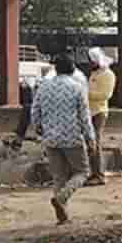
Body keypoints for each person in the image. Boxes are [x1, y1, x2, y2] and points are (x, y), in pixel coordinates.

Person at [30, 54, 96, 225]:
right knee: (82, 172)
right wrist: (91, 138)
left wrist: (38, 129)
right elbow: (84, 117)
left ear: (56, 69)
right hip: (72, 137)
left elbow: (34, 111)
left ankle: (63, 216)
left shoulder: (43, 87)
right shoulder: (77, 87)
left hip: (50, 138)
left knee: (59, 176)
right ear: (72, 68)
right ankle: (61, 198)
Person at [85, 47, 116, 185]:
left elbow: (106, 95)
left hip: (99, 112)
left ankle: (99, 175)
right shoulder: (95, 73)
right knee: (90, 143)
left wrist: (85, 94)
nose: (89, 63)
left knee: (96, 143)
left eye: (91, 60)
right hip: (89, 111)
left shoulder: (108, 75)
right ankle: (93, 173)